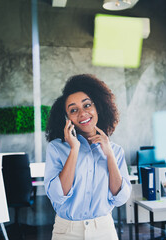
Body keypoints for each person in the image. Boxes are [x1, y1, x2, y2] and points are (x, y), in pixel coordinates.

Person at [44, 74, 132, 240]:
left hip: (104, 230)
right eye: (73, 110)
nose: (83, 113)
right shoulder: (56, 148)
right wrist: (74, 149)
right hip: (67, 232)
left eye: (87, 105)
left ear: (97, 106)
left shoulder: (116, 151)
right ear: (67, 118)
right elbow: (57, 195)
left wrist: (109, 155)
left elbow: (120, 198)